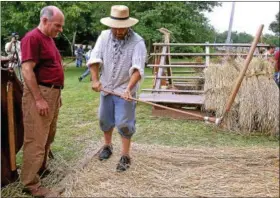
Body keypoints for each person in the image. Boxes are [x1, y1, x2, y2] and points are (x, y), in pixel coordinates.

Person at [87, 5, 147, 172]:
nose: (119, 31)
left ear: (129, 25)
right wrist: (95, 80)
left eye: (123, 28)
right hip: (106, 87)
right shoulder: (104, 36)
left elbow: (137, 69)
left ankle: (125, 155)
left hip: (124, 90)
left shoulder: (138, 42)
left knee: (124, 123)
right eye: (116, 28)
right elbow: (94, 59)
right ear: (110, 24)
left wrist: (128, 88)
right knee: (104, 119)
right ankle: (107, 146)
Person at [20, 5, 64, 197]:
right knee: (36, 139)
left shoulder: (48, 39)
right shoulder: (32, 38)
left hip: (51, 95)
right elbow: (27, 70)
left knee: (47, 137)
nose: (60, 30)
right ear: (45, 20)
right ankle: (30, 184)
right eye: (57, 25)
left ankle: (41, 169)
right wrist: (38, 99)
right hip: (40, 94)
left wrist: (57, 96)